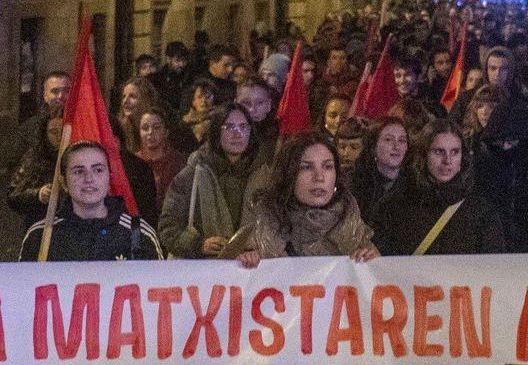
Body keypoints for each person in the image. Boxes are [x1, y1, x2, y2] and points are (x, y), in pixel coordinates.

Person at [232, 131, 379, 265]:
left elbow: (377, 281)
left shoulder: (353, 226)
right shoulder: (262, 229)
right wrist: (246, 265)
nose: (319, 177)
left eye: (327, 167)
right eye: (306, 167)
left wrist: (374, 262)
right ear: (289, 174)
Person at [375, 122, 507, 256]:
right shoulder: (394, 206)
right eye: (439, 152)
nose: (447, 160)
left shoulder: (481, 211)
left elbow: (493, 266)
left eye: (455, 152)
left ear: (463, 157)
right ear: (423, 155)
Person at [19, 142, 162, 261]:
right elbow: (21, 292)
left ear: (109, 178)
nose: (89, 179)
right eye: (78, 171)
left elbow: (160, 291)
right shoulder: (40, 236)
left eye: (98, 170)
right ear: (64, 183)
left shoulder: (138, 234)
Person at [159, 105, 257, 259]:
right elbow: (168, 228)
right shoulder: (191, 175)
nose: (237, 133)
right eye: (229, 127)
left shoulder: (260, 176)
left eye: (243, 126)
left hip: (247, 275)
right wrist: (199, 245)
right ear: (217, 131)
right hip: (202, 275)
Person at [473, 100, 528, 252]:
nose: (506, 147)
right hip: (491, 248)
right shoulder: (481, 165)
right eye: (500, 141)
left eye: (512, 141)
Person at [6, 115, 65, 226]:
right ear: (45, 134)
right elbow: (13, 195)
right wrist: (38, 194)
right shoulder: (35, 158)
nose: (59, 137)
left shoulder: (79, 158)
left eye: (63, 132)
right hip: (40, 226)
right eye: (53, 132)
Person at [350, 116, 409, 226]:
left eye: (402, 140)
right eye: (388, 140)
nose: (396, 146)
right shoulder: (356, 184)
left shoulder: (413, 186)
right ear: (373, 146)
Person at [14, 71, 72, 166]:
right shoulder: (28, 129)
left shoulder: (84, 125)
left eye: (66, 91)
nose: (61, 96)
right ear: (45, 96)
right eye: (55, 91)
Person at [133, 108, 183, 203]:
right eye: (145, 128)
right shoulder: (134, 162)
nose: (150, 132)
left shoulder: (178, 162)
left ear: (166, 132)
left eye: (156, 127)